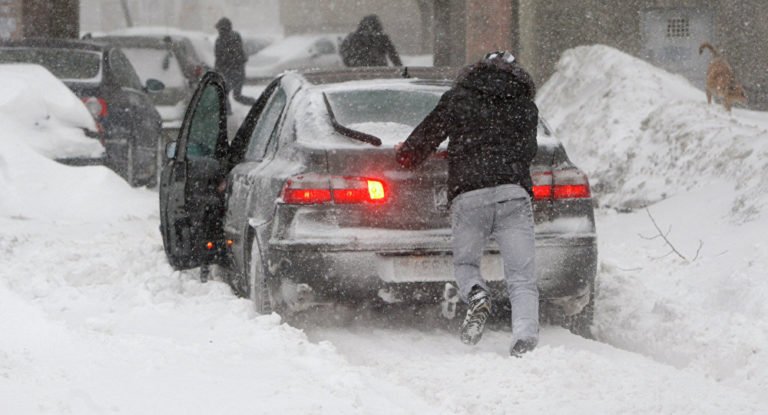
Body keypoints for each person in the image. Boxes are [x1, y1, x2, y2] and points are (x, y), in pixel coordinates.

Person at [395, 51, 539, 357]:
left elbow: (420, 143)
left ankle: (476, 294)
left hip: (469, 195)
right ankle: (524, 337)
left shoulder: (458, 98)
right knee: (521, 276)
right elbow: (528, 152)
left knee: (466, 264)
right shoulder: (525, 105)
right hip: (513, 194)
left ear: (475, 71)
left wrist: (406, 156)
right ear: (517, 75)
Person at [214, 17, 256, 106]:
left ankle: (225, 114)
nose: (218, 31)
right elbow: (239, 55)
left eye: (219, 29)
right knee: (235, 95)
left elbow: (221, 58)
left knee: (225, 94)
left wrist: (218, 69)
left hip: (233, 72)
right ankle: (257, 104)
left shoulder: (223, 40)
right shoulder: (235, 36)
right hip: (238, 71)